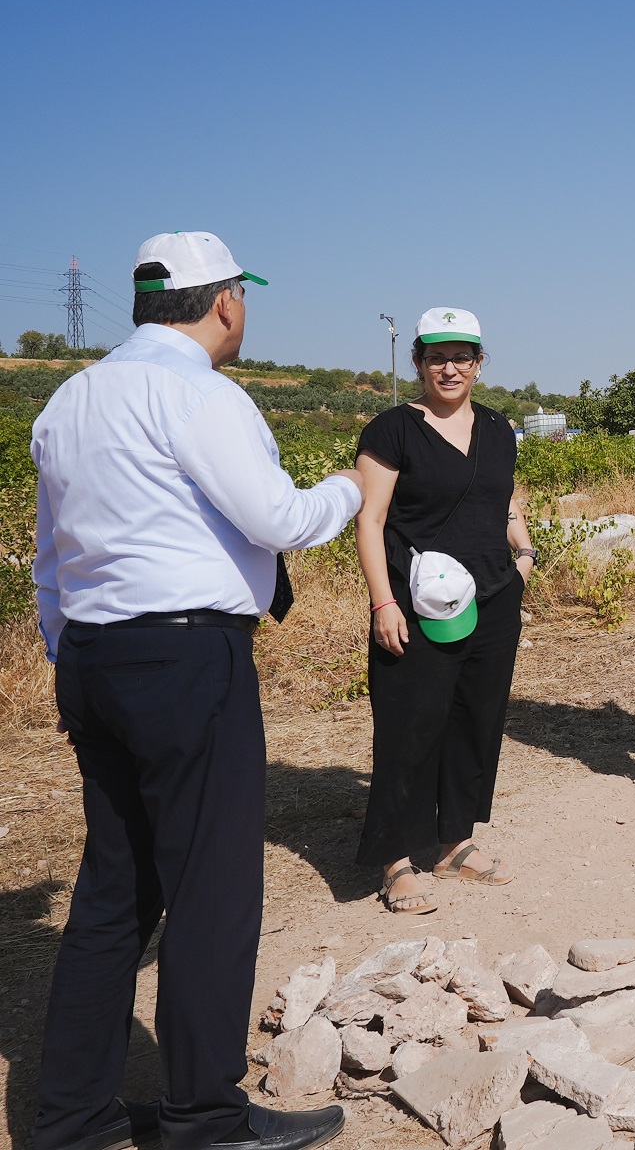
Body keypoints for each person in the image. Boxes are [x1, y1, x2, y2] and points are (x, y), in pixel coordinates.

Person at [31, 232, 361, 1150]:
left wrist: (68, 654)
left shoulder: (70, 398)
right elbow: (277, 517)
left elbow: (49, 558)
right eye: (242, 297)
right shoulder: (201, 395)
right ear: (224, 302)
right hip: (186, 659)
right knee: (211, 888)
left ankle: (73, 1117)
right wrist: (347, 489)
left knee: (115, 891)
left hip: (94, 657)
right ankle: (205, 1118)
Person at [353, 308, 532, 914]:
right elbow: (371, 520)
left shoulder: (499, 428)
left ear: (479, 363)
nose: (449, 369)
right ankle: (395, 860)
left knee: (475, 721)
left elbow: (505, 498)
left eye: (461, 357)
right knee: (410, 727)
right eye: (436, 358)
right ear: (419, 363)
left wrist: (524, 553)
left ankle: (454, 843)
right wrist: (383, 601)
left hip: (493, 598)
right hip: (418, 604)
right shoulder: (392, 430)